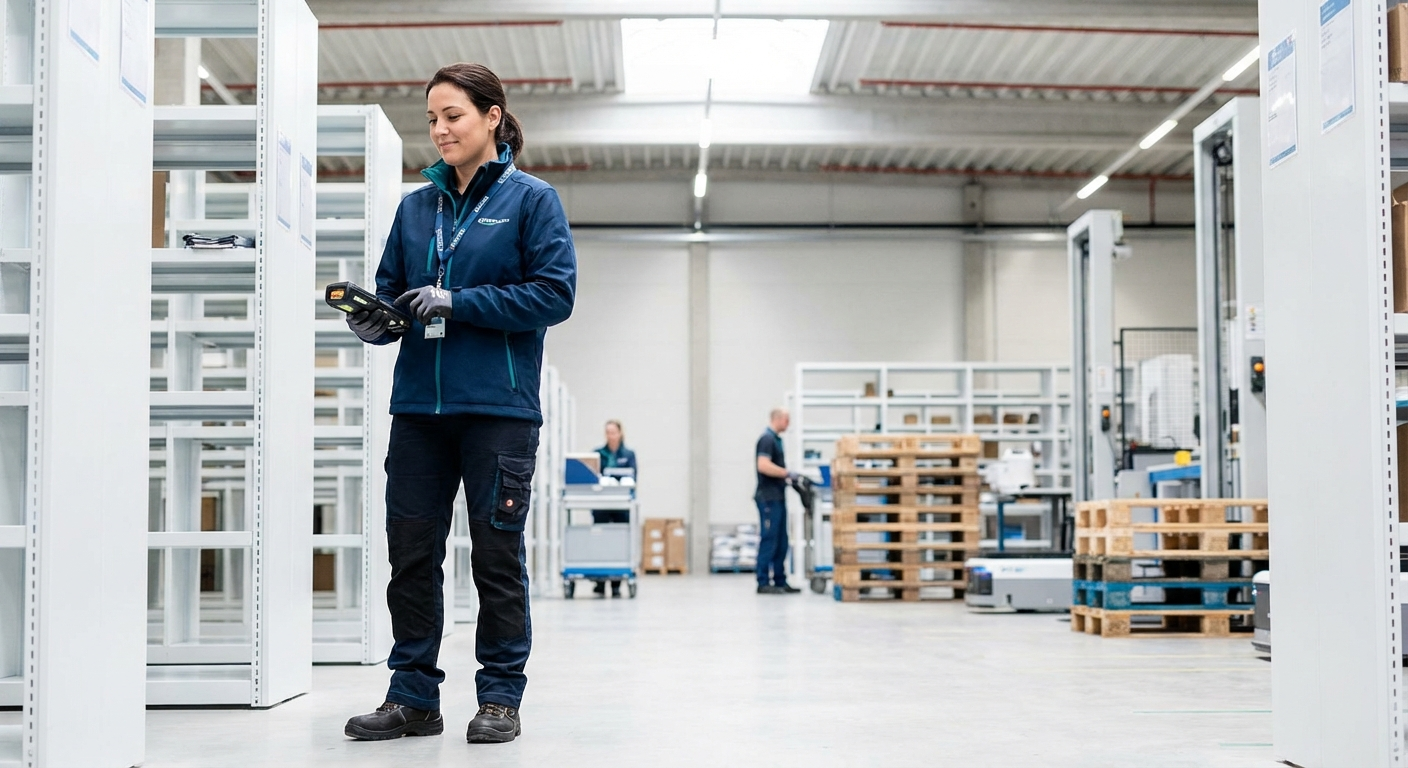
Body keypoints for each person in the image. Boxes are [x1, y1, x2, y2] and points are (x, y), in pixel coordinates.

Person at [341, 62, 576, 745]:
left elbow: (554, 295)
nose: (440, 130)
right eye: (433, 120)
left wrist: (460, 302)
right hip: (418, 408)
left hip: (498, 409)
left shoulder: (534, 201)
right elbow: (392, 290)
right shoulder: (416, 208)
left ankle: (500, 696)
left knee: (495, 557)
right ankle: (412, 697)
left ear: (492, 117)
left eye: (454, 116)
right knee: (411, 555)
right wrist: (376, 320)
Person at [754, 408, 801, 594]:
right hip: (768, 498)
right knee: (769, 539)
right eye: (787, 420)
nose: (788, 424)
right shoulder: (766, 439)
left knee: (782, 540)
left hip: (778, 497)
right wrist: (786, 473)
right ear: (778, 419)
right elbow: (763, 465)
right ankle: (763, 581)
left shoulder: (776, 440)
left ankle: (780, 580)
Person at [591, 420, 637, 597]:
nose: (610, 435)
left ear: (620, 433)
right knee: (600, 541)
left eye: (613, 432)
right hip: (601, 504)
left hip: (621, 504)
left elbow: (633, 476)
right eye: (608, 432)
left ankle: (616, 584)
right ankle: (600, 583)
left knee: (620, 541)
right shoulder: (598, 453)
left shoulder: (628, 454)